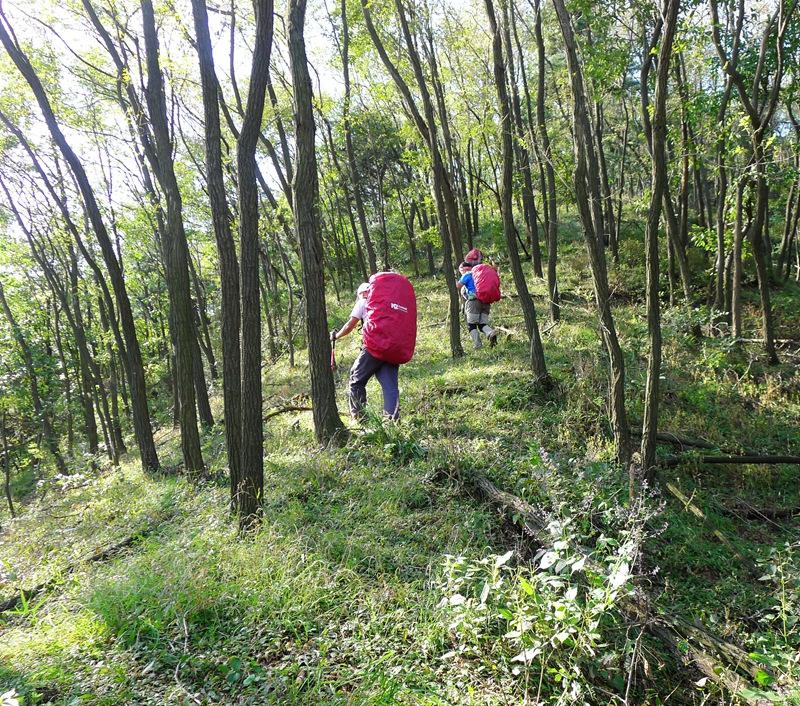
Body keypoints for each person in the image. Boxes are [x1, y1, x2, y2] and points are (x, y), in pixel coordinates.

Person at [331, 282, 400, 421]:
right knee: (390, 386)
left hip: (374, 347)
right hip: (393, 348)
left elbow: (350, 325)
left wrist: (335, 336)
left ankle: (360, 418)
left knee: (356, 380)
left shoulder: (363, 301)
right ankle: (392, 420)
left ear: (362, 293)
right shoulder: (388, 302)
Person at [456, 261, 497, 349]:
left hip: (474, 302)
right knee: (482, 324)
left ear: (464, 269)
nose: (461, 272)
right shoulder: (479, 274)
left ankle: (478, 345)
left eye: (461, 270)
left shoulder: (467, 274)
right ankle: (490, 332)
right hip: (486, 302)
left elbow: (458, 286)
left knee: (471, 325)